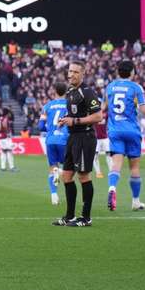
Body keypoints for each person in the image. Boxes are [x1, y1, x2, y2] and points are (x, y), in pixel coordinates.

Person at [52, 60, 103, 228]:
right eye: (70, 71)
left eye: (75, 72)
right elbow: (73, 114)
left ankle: (86, 217)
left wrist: (75, 121)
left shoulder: (87, 92)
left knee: (83, 176)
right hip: (73, 137)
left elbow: (98, 117)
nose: (71, 74)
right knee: (66, 176)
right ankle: (69, 216)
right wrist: (64, 121)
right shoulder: (71, 92)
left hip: (85, 137)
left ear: (83, 73)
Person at [103, 60, 145, 212]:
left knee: (116, 165)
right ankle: (135, 201)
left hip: (115, 131)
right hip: (132, 131)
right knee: (134, 167)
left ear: (117, 72)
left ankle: (112, 187)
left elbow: (102, 108)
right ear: (132, 72)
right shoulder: (135, 88)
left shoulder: (110, 87)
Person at [38, 82, 68, 206]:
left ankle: (54, 195)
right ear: (66, 92)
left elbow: (40, 126)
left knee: (52, 168)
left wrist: (51, 130)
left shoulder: (47, 106)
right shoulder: (69, 105)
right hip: (64, 140)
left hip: (50, 140)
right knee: (69, 170)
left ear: (54, 91)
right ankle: (59, 172)